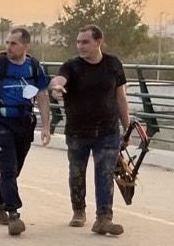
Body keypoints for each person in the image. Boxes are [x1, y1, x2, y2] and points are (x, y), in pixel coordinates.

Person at [0, 27, 51, 236]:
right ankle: (13, 213)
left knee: (14, 169)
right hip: (0, 122)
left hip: (24, 123)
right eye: (8, 43)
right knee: (7, 169)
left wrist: (46, 126)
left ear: (25, 46)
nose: (9, 47)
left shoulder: (34, 67)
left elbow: (42, 97)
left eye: (14, 43)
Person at [49, 25, 132, 235]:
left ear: (98, 42)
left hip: (108, 130)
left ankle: (104, 218)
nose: (80, 46)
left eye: (85, 42)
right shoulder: (72, 66)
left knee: (105, 174)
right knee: (77, 172)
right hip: (78, 131)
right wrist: (56, 87)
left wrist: (127, 125)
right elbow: (59, 79)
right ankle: (78, 211)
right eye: (78, 42)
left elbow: (120, 96)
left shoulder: (113, 64)